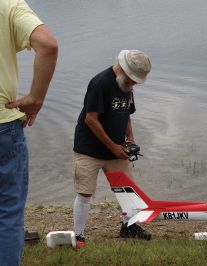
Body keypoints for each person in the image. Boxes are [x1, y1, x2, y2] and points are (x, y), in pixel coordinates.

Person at [72, 49, 152, 247]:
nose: (133, 83)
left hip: (117, 148)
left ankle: (129, 227)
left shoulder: (126, 86)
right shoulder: (101, 83)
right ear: (123, 70)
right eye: (132, 79)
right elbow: (91, 120)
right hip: (88, 149)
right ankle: (79, 235)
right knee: (85, 193)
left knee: (129, 191)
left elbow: (126, 114)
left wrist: (130, 139)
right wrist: (113, 147)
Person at [0, 0, 58, 265]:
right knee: (7, 214)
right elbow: (47, 45)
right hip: (3, 126)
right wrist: (36, 98)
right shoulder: (8, 4)